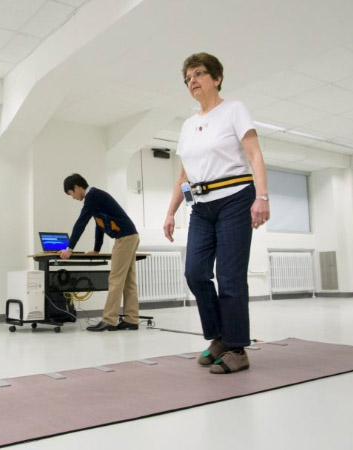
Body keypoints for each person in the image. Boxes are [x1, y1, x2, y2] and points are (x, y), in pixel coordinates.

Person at [163, 52, 270, 374]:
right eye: (187, 78)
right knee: (194, 273)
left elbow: (254, 154)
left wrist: (261, 196)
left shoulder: (233, 109)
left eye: (197, 74)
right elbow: (184, 175)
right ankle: (220, 338)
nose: (191, 81)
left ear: (216, 78)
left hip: (236, 198)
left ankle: (237, 348)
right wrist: (171, 212)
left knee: (229, 275)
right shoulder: (188, 124)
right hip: (201, 206)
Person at [61, 174, 140, 332]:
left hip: (124, 238)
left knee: (115, 279)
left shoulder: (93, 196)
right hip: (131, 236)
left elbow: (81, 222)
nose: (73, 198)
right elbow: (100, 225)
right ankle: (132, 319)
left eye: (71, 194)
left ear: (77, 187)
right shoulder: (96, 197)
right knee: (128, 281)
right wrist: (96, 249)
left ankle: (109, 320)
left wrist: (69, 248)